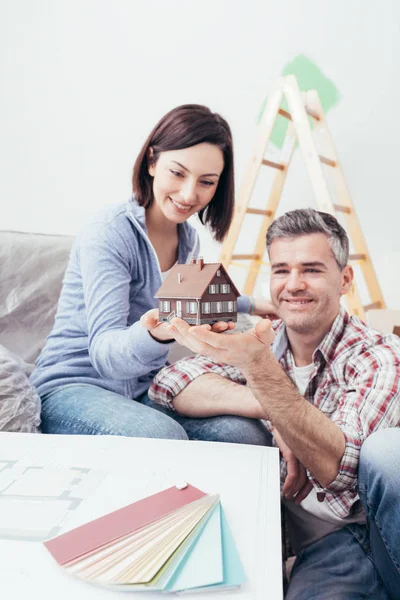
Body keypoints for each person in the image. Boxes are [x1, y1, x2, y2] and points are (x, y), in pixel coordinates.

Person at [148, 208, 400, 599]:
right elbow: (170, 382)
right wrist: (268, 408)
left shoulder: (379, 354)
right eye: (281, 270)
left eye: (312, 270)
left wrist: (260, 370)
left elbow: (343, 468)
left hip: (357, 531)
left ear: (345, 279)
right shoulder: (266, 340)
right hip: (293, 534)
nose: (293, 284)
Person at [30, 104, 273, 439]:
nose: (190, 194)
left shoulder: (188, 240)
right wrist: (157, 334)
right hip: (72, 386)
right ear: (152, 161)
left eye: (206, 181)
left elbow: (191, 300)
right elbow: (105, 355)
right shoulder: (110, 232)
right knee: (160, 435)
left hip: (141, 387)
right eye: (178, 173)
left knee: (247, 436)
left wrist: (252, 304)